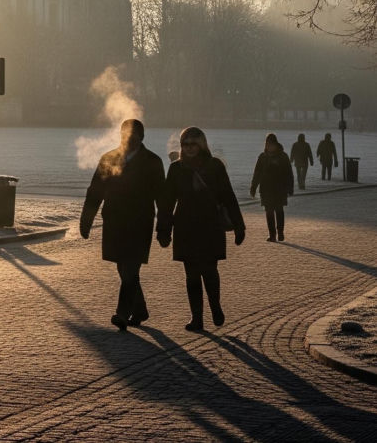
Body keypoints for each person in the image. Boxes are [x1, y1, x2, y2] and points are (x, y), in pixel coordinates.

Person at [80, 119, 165, 330]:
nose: (129, 138)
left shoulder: (152, 161)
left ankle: (122, 313)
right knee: (123, 268)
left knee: (130, 270)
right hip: (115, 222)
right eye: (125, 134)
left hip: (139, 223)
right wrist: (86, 221)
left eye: (134, 135)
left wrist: (164, 227)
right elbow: (95, 190)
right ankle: (140, 309)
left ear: (142, 137)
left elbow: (162, 198)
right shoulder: (108, 158)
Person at [157, 127, 245, 332]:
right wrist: (163, 230)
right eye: (185, 144)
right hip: (185, 226)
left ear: (202, 144)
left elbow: (228, 197)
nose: (188, 148)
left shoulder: (215, 166)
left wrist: (239, 226)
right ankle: (196, 317)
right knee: (191, 275)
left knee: (209, 270)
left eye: (192, 144)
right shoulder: (176, 169)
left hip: (210, 225)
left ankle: (215, 306)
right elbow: (167, 202)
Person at [251, 133, 295, 242]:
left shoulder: (283, 156)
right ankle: (272, 235)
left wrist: (290, 187)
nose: (269, 146)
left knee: (279, 210)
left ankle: (280, 233)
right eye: (267, 144)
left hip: (279, 189)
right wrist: (253, 187)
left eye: (271, 144)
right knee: (269, 212)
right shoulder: (262, 157)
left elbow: (289, 173)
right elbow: (257, 173)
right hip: (266, 189)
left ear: (275, 144)